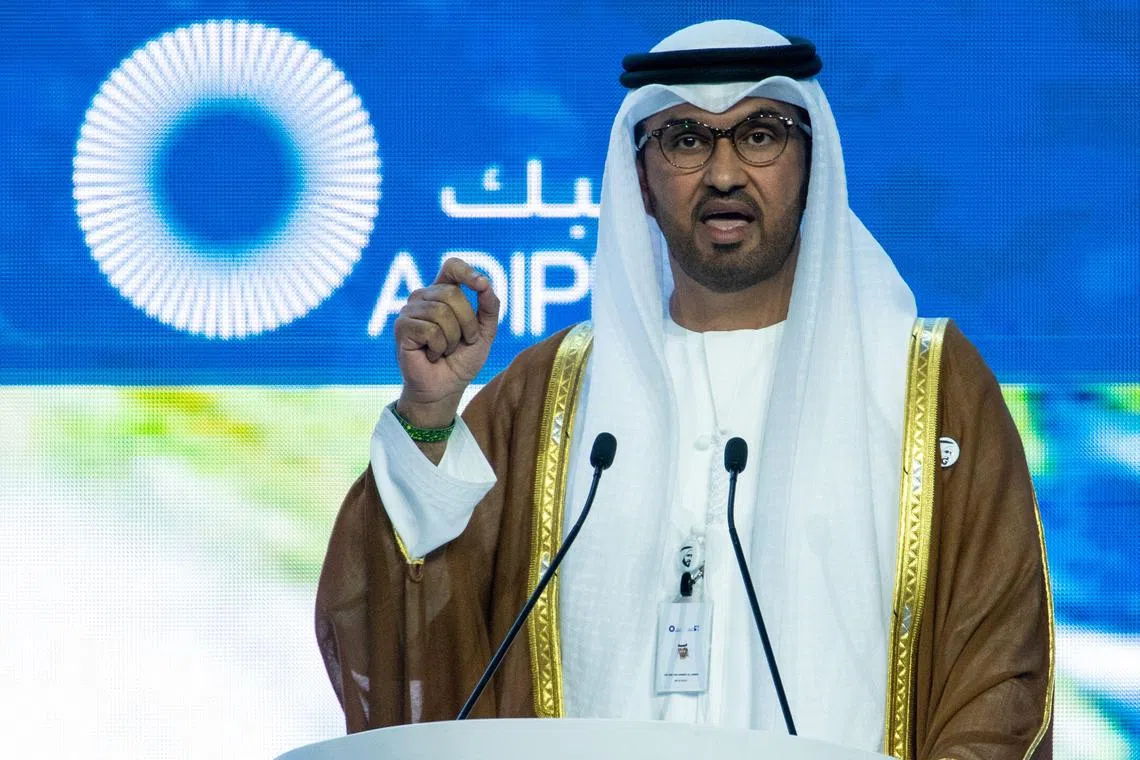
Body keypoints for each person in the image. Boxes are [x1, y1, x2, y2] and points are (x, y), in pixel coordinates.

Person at [316, 20, 1053, 760]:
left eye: (760, 135)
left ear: (811, 161)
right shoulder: (551, 395)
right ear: (640, 177)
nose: (725, 174)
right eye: (687, 140)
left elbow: (999, 668)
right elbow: (411, 628)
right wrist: (430, 417)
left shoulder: (923, 384)